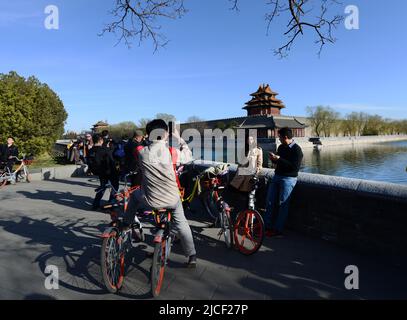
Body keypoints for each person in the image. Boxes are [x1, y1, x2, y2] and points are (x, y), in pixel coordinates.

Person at [123, 119, 197, 267]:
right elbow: (189, 157)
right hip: (172, 199)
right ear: (165, 134)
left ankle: (126, 224)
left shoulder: (141, 152)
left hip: (150, 200)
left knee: (134, 195)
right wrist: (178, 138)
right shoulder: (172, 152)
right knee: (182, 224)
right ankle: (191, 255)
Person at [264, 127, 303, 237]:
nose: (278, 139)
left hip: (288, 179)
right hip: (277, 176)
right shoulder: (281, 147)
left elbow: (294, 168)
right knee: (269, 201)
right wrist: (274, 160)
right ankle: (266, 226)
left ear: (285, 137)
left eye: (279, 137)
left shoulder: (297, 150)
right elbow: (280, 162)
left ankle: (278, 230)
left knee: (283, 204)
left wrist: (279, 159)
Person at [91, 133, 120, 210]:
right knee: (114, 186)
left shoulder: (91, 150)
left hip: (100, 172)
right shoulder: (104, 150)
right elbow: (111, 161)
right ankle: (111, 202)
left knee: (102, 187)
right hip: (109, 171)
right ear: (100, 140)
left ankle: (95, 204)